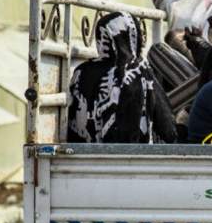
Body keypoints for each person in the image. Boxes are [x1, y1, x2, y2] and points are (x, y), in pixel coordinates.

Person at [68, 12, 177, 144]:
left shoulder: (81, 71)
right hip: (131, 159)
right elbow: (166, 125)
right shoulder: (141, 70)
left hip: (82, 157)